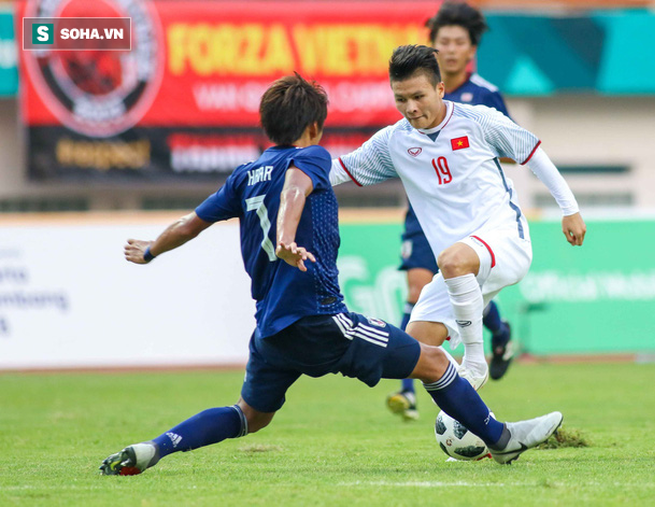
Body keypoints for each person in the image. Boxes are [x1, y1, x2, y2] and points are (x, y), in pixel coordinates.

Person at [99, 74, 563, 475]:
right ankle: (500, 440)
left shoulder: (243, 174)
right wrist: (285, 235)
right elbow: (297, 188)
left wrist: (152, 250)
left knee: (249, 416)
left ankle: (154, 447)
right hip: (322, 319)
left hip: (271, 332)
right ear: (314, 126)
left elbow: (191, 223)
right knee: (435, 362)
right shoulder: (312, 157)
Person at [330, 46, 586, 417]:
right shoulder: (393, 142)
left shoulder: (478, 120)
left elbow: (531, 151)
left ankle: (476, 361)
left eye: (419, 96)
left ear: (439, 89)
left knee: (452, 260)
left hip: (505, 240)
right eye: (401, 99)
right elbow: (339, 171)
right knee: (417, 351)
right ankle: (481, 431)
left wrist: (570, 209)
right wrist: (290, 176)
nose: (411, 107)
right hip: (460, 268)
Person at [389, 2, 516, 421]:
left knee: (460, 276)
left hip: (472, 220)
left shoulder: (482, 98)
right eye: (442, 42)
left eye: (458, 42)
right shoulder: (417, 94)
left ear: (471, 48)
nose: (450, 49)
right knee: (417, 287)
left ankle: (496, 335)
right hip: (424, 217)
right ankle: (408, 390)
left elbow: (512, 150)